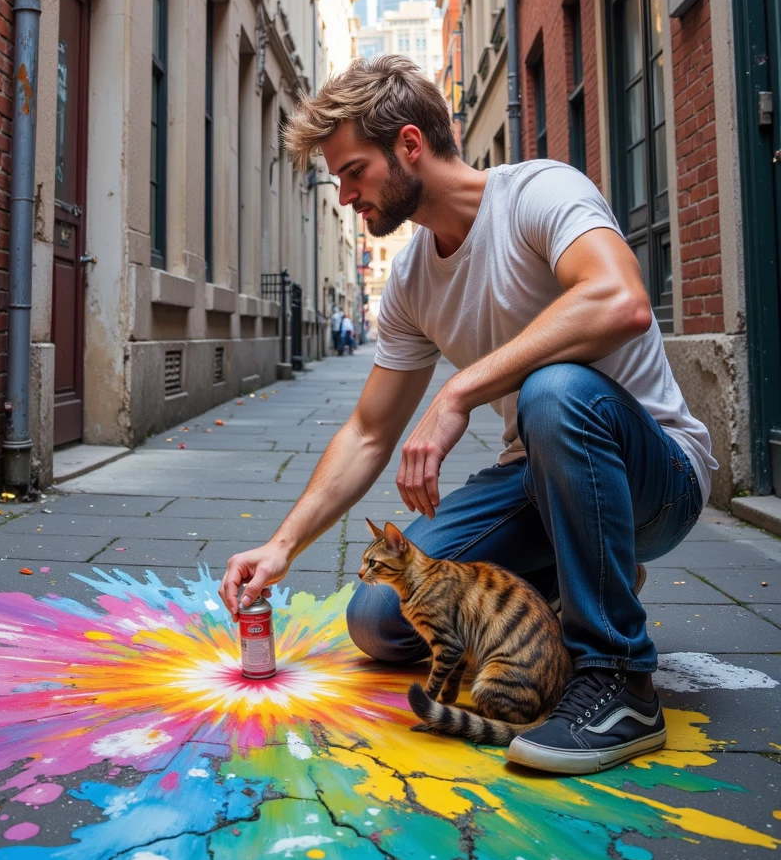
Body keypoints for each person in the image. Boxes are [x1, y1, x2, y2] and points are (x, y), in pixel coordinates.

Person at [219, 55, 715, 775]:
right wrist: (282, 545)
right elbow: (369, 431)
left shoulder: (540, 192)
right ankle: (560, 591)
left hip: (657, 481)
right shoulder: (413, 279)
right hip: (537, 479)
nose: (345, 196)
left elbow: (621, 300)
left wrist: (458, 393)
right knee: (381, 618)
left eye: (354, 171)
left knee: (553, 390)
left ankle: (620, 678)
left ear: (409, 145)